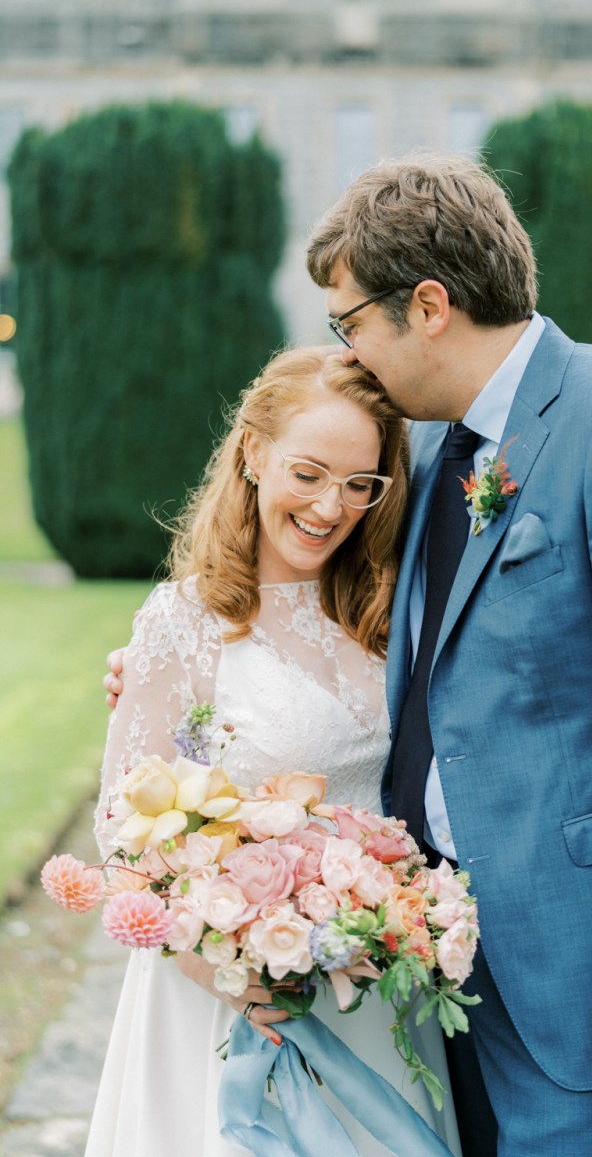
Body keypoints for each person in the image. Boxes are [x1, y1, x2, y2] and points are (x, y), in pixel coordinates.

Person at [298, 154, 592, 1157]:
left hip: (584, 977)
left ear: (426, 305)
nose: (347, 357)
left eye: (349, 324)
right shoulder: (437, 452)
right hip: (439, 971)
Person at [90, 346, 463, 1157]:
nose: (332, 507)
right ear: (253, 452)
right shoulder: (183, 621)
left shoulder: (390, 608)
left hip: (370, 987)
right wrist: (218, 959)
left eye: (361, 484)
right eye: (309, 473)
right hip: (224, 995)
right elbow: (122, 829)